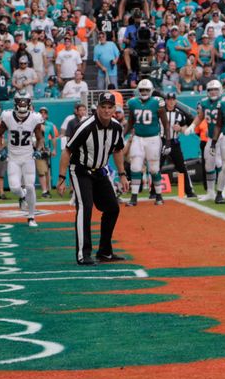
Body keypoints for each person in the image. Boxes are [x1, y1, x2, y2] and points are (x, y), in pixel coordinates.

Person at [56, 92, 128, 266]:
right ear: (97, 108)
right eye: (103, 107)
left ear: (114, 109)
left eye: (109, 107)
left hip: (100, 170)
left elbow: (118, 150)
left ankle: (104, 252)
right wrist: (61, 177)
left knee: (112, 208)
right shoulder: (86, 126)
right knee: (85, 208)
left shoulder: (117, 127)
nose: (106, 110)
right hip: (80, 170)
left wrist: (123, 174)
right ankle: (83, 253)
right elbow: (67, 150)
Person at [0, 92, 45, 227]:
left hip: (28, 156)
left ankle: (31, 217)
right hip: (13, 158)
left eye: (24, 101)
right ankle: (22, 196)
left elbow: (40, 138)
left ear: (29, 103)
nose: (22, 104)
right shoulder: (7, 116)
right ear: (15, 103)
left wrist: (38, 150)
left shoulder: (35, 118)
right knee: (14, 188)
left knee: (30, 186)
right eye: (20, 101)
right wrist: (1, 149)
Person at [124, 79, 170, 206]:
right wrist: (121, 135)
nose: (144, 92)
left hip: (153, 139)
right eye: (142, 90)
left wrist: (168, 141)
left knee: (154, 168)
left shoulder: (157, 102)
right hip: (138, 138)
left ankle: (159, 196)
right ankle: (134, 197)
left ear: (151, 91)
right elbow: (130, 122)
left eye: (146, 90)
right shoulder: (133, 102)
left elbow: (166, 124)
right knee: (135, 167)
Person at [184, 79, 223, 201]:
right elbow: (200, 116)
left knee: (220, 163)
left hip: (224, 137)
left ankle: (222, 191)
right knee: (209, 165)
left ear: (220, 90)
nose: (213, 92)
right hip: (211, 138)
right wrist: (192, 126)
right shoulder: (205, 103)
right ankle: (211, 192)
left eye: (215, 89)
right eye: (210, 90)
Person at [161, 92, 197, 198]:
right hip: (162, 141)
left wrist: (180, 129)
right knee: (157, 167)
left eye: (173, 99)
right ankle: (154, 192)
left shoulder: (179, 114)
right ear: (166, 101)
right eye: (169, 99)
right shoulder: (160, 112)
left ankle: (188, 191)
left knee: (181, 167)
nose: (171, 101)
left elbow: (185, 128)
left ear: (175, 101)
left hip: (174, 142)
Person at [38, 106, 58, 199]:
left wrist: (54, 149)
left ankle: (47, 189)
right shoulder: (35, 123)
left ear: (47, 115)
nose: (43, 114)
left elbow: (53, 137)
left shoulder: (50, 124)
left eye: (44, 113)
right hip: (38, 149)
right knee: (41, 170)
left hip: (47, 149)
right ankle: (44, 191)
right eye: (41, 112)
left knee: (47, 171)